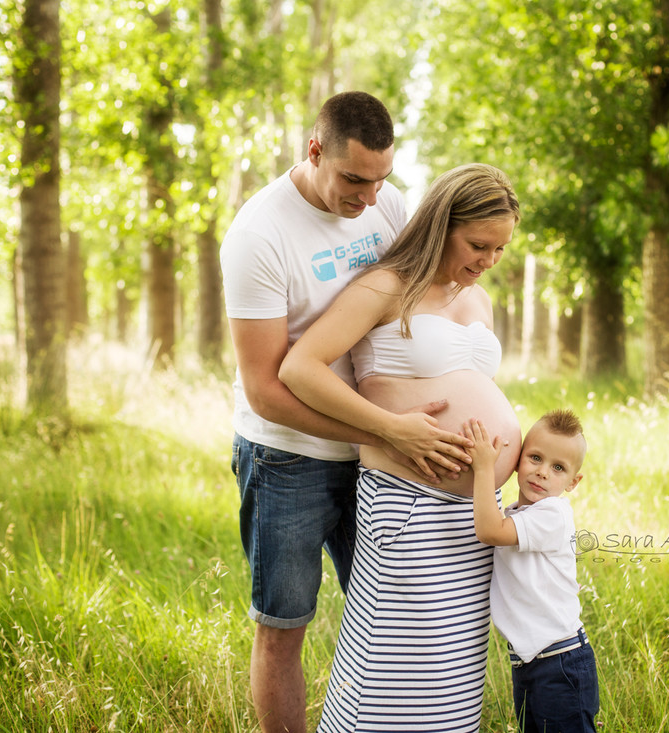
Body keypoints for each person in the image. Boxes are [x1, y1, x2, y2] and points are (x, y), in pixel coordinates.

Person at [220, 91, 471, 733]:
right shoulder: (258, 235)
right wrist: (385, 427)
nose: (369, 199)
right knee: (284, 627)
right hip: (287, 458)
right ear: (315, 150)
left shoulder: (385, 202)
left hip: (382, 462)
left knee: (397, 614)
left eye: (381, 179)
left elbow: (418, 298)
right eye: (354, 180)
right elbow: (265, 389)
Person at [278, 163, 524, 731]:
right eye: (478, 245)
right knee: (390, 671)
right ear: (442, 223)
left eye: (501, 249)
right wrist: (388, 428)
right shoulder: (386, 285)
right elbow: (300, 367)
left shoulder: (476, 299)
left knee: (450, 673)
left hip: (474, 516)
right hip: (406, 505)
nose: (488, 260)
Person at [465, 409, 601, 733]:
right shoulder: (517, 515)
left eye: (558, 468)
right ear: (516, 459)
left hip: (560, 664)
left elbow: (488, 530)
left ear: (573, 482)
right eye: (535, 458)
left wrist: (483, 467)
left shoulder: (552, 514)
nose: (542, 473)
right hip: (533, 664)